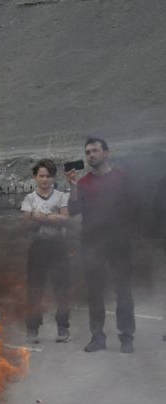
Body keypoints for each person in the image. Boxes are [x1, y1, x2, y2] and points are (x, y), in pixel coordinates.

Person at [67, 137, 136, 353]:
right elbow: (73, 210)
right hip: (92, 244)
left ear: (106, 152)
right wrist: (72, 187)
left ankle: (126, 337)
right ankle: (97, 337)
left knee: (122, 291)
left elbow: (134, 208)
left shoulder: (122, 178)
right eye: (87, 152)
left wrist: (128, 234)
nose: (91, 156)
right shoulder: (83, 183)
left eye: (95, 151)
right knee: (94, 292)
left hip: (119, 243)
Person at [21, 159, 72, 344]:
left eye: (48, 176)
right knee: (34, 290)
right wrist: (52, 218)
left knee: (61, 289)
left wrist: (41, 217)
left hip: (58, 247)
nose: (44, 179)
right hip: (38, 248)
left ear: (53, 177)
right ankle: (33, 328)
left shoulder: (60, 196)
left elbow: (65, 219)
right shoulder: (29, 199)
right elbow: (26, 222)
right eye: (41, 176)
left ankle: (63, 328)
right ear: (35, 177)